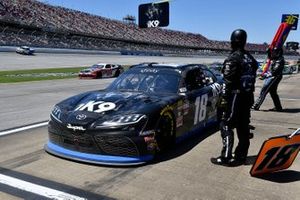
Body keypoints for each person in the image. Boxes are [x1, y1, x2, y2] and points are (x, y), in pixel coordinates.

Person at [211, 29, 258, 166]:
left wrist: (224, 100)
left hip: (235, 97)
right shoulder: (251, 58)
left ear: (232, 41)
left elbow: (227, 82)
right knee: (243, 126)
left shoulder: (233, 58)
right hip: (247, 96)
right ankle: (241, 156)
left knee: (225, 124)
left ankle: (225, 156)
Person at [252, 47, 284, 111]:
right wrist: (268, 52)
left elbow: (274, 71)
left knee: (264, 90)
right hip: (273, 76)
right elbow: (270, 58)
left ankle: (256, 105)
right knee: (273, 92)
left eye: (274, 52)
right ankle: (278, 107)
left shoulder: (280, 60)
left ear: (278, 52)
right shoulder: (277, 58)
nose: (273, 53)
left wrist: (265, 75)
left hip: (274, 77)